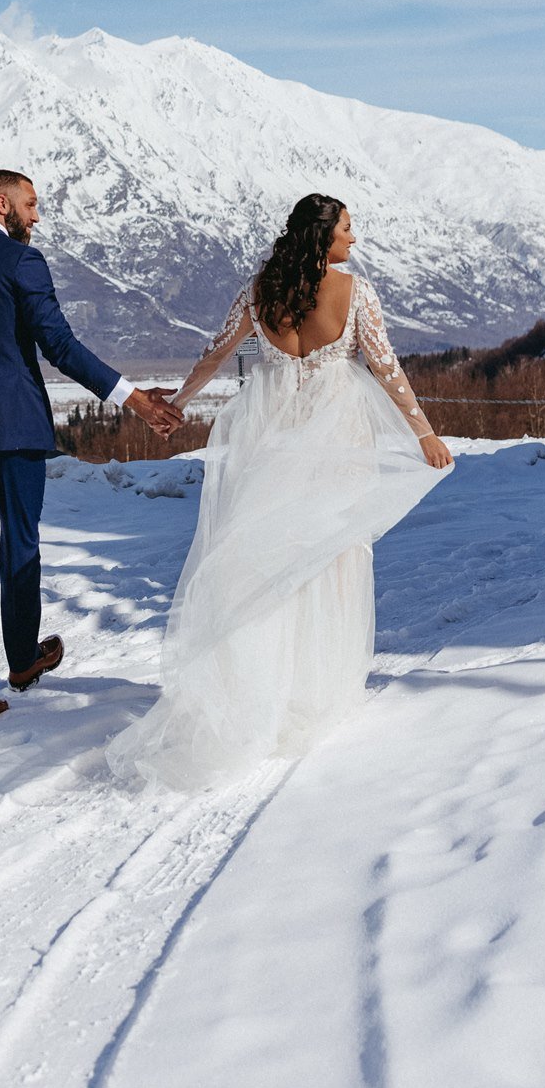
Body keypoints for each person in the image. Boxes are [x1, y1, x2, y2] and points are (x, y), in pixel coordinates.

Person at [109, 192, 453, 791]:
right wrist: (425, 435)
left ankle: (259, 684)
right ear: (324, 237)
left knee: (262, 552)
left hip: (268, 434)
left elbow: (215, 353)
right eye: (347, 229)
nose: (355, 239)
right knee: (329, 552)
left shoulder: (259, 289)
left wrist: (179, 404)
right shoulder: (354, 292)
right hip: (336, 435)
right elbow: (387, 369)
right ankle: (315, 690)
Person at [0, 170, 183, 733]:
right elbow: (58, 345)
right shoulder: (19, 261)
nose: (36, 217)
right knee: (21, 538)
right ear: (2, 203)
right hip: (14, 425)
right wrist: (134, 399)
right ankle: (23, 659)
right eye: (31, 205)